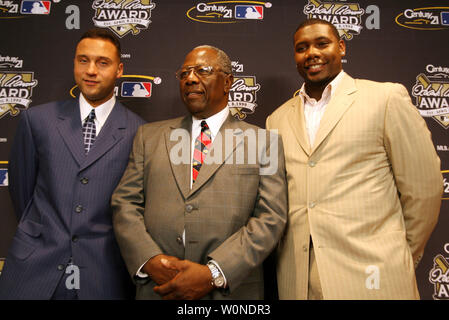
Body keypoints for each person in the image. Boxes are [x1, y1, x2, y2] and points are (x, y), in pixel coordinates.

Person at [266, 18, 443, 299]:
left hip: (375, 277)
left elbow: (425, 188)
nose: (312, 53)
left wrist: (397, 253)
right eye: (302, 47)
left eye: (322, 43)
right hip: (300, 282)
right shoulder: (277, 119)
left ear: (341, 47)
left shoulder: (384, 98)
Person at [111, 45, 287, 300]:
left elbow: (271, 218)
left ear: (228, 82)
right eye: (184, 74)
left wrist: (214, 272)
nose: (190, 78)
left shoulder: (264, 142)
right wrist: (150, 259)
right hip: (158, 289)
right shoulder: (148, 137)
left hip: (230, 293)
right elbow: (125, 203)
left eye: (202, 70)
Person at [0, 28, 146, 299]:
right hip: (34, 269)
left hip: (102, 277)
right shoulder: (37, 121)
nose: (91, 70)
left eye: (103, 62)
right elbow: (22, 191)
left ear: (119, 69)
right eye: (83, 60)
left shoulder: (141, 132)